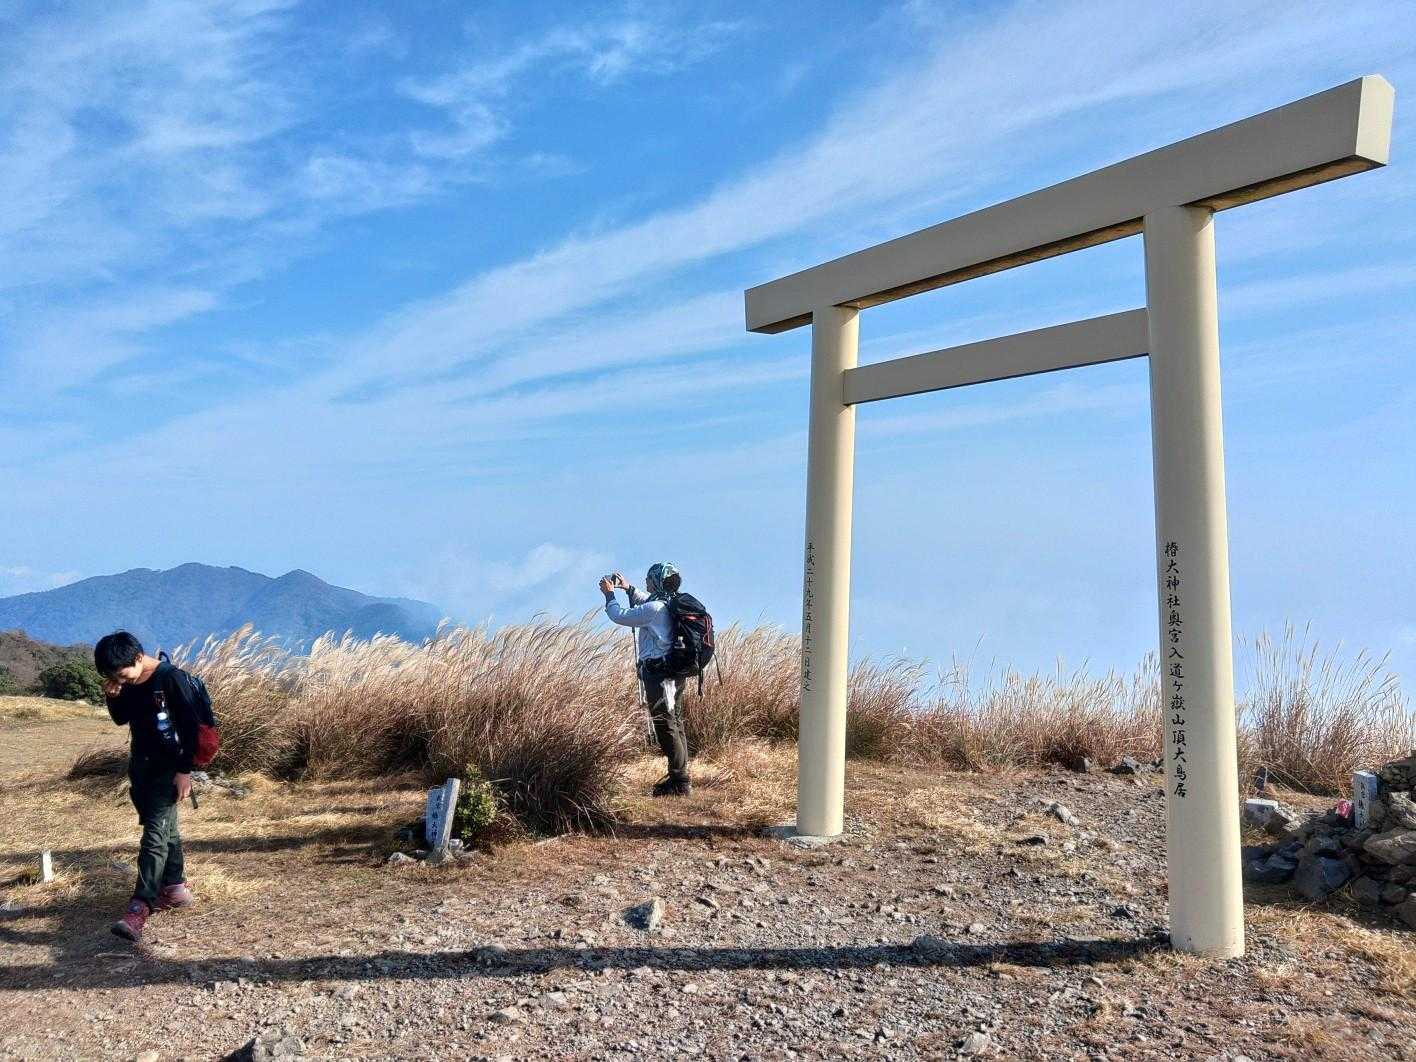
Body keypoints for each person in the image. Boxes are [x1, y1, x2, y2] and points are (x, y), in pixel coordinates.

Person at [94, 631, 199, 941]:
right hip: (141, 766)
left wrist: (184, 771)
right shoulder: (127, 682)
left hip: (169, 768)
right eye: (113, 676)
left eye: (122, 674)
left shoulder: (170, 678)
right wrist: (113, 696)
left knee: (154, 836)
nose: (120, 680)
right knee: (166, 830)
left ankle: (140, 907)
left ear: (138, 657)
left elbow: (191, 727)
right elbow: (122, 719)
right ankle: (176, 888)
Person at [600, 563, 692, 797]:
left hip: (661, 676)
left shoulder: (654, 608)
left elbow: (619, 615)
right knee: (675, 721)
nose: (646, 581)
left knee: (666, 724)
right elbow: (646, 601)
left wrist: (609, 594)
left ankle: (679, 781)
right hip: (674, 673)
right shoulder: (670, 602)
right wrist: (628, 588)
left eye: (649, 578)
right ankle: (680, 776)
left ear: (657, 581)